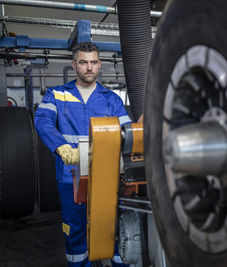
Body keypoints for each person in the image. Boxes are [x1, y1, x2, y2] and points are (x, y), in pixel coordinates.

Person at [35, 42, 133, 267]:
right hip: (71, 176)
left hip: (107, 177)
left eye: (93, 62)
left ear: (99, 65)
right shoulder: (57, 95)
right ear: (74, 65)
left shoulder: (112, 99)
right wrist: (60, 147)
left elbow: (127, 132)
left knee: (113, 228)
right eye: (83, 62)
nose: (89, 67)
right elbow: (43, 120)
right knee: (75, 233)